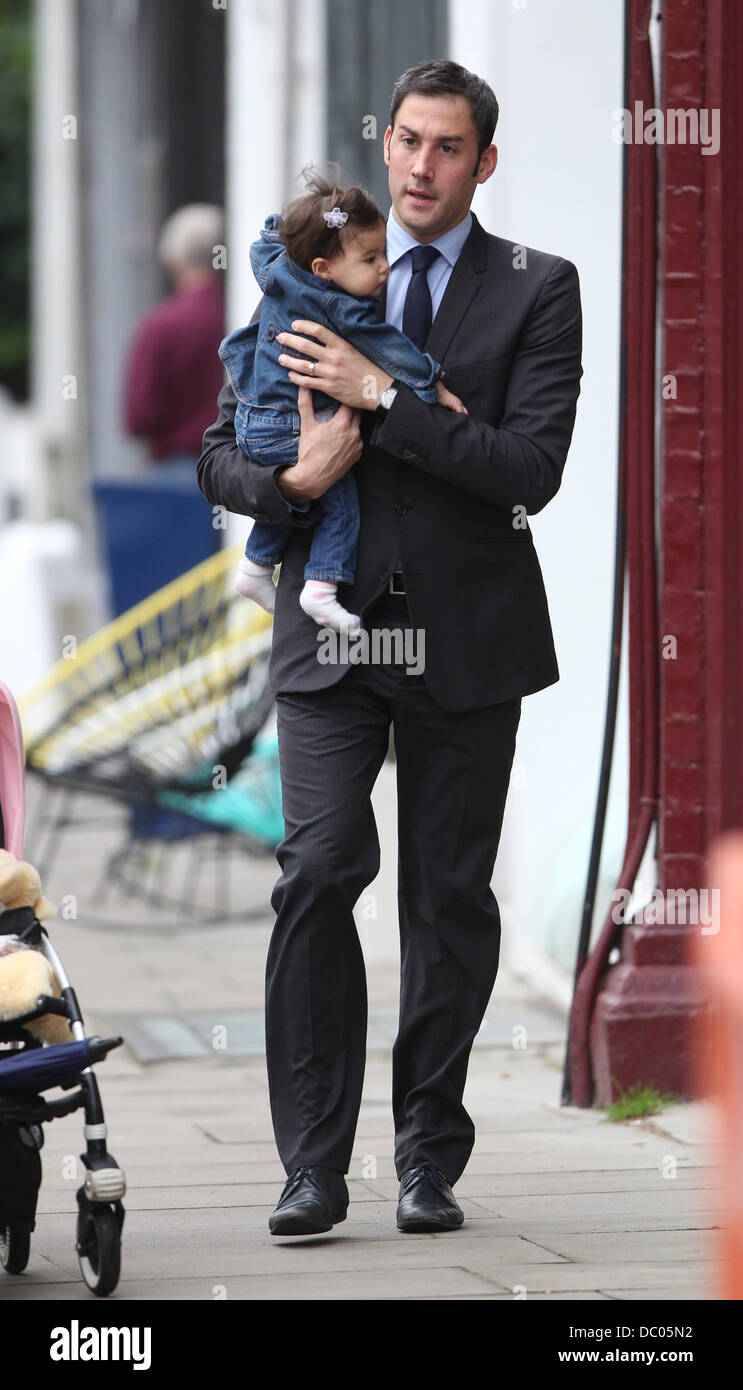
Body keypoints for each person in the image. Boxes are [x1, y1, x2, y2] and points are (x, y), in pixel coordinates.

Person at [198, 59, 583, 1236]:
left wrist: (384, 397)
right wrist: (285, 478)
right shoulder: (311, 267)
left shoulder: (537, 288)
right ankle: (311, 1166)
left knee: (447, 901)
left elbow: (529, 470)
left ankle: (426, 1154)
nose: (418, 167)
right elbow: (220, 449)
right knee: (316, 872)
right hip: (331, 643)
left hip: (467, 638)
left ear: (484, 162)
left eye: (446, 148)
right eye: (406, 141)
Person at [220, 168, 466, 634]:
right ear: (324, 269)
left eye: (384, 255)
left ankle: (254, 568)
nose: (383, 269)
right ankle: (321, 587)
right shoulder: (339, 305)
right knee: (339, 499)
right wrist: (432, 383)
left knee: (310, 487)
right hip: (290, 425)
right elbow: (392, 349)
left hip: (258, 423)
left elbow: (269, 236)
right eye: (370, 258)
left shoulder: (277, 266)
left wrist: (292, 222)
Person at [124, 203, 225, 480]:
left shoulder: (160, 325)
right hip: (239, 466)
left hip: (177, 470)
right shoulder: (239, 317)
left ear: (171, 262)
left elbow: (138, 417)